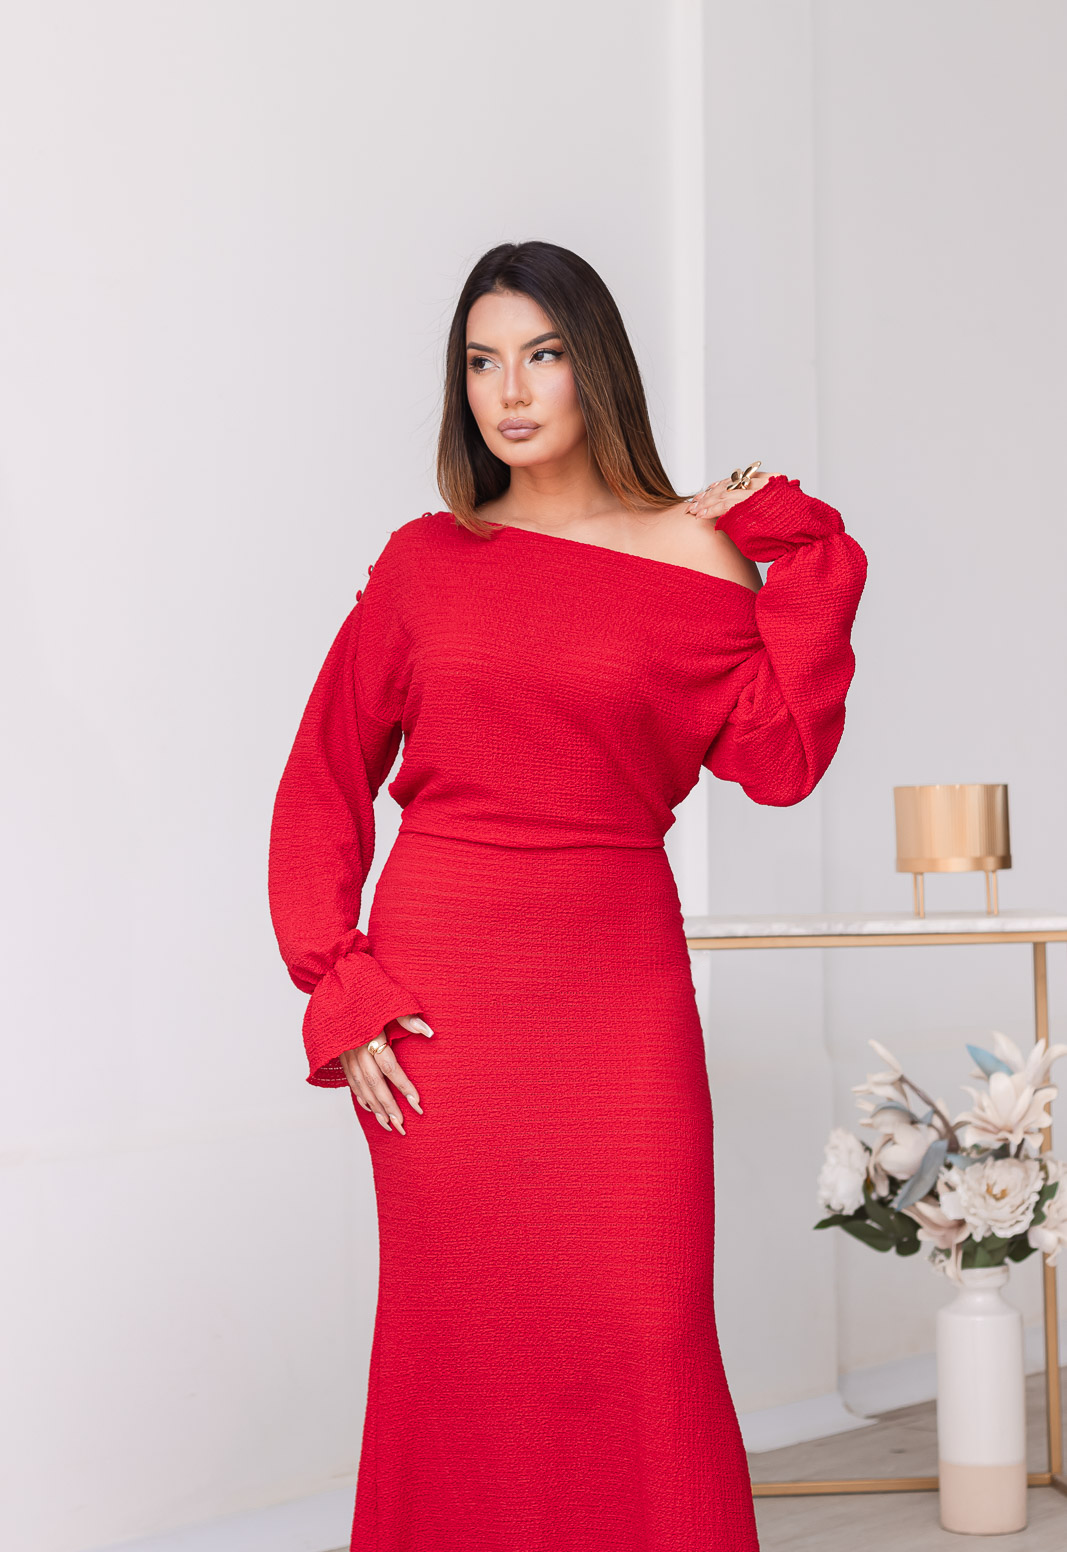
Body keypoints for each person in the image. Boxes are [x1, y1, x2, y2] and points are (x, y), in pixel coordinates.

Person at [267, 239, 867, 1551]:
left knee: (647, 1327)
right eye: (481, 361)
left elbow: (779, 762)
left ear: (595, 365)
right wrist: (338, 980)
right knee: (459, 1342)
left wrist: (797, 544)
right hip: (442, 1007)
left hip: (616, 990)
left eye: (539, 354)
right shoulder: (427, 562)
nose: (509, 390)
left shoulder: (695, 557)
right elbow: (322, 777)